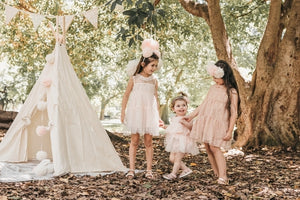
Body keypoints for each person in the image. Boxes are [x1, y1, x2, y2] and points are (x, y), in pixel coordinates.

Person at [183, 60, 239, 185]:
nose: (214, 80)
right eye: (213, 77)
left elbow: (234, 112)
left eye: (216, 78)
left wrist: (230, 130)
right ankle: (217, 173)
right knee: (207, 147)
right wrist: (191, 116)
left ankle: (223, 176)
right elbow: (204, 104)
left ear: (225, 76)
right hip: (207, 120)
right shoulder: (213, 88)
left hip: (218, 123)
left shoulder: (231, 91)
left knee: (215, 147)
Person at [121, 38, 162, 179]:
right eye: (152, 65)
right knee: (134, 141)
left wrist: (159, 116)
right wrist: (122, 113)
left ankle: (149, 170)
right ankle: (131, 169)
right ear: (143, 64)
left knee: (149, 142)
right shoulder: (134, 78)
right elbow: (126, 96)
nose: (154, 68)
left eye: (156, 65)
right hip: (136, 113)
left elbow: (156, 98)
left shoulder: (154, 80)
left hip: (149, 114)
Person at [160, 92, 199, 180]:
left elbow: (191, 128)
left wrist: (185, 123)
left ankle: (173, 174)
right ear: (173, 109)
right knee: (172, 158)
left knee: (177, 159)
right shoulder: (174, 118)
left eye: (183, 105)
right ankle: (186, 169)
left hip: (183, 141)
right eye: (178, 106)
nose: (181, 107)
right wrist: (164, 126)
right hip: (175, 141)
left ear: (186, 107)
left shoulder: (188, 118)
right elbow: (172, 128)